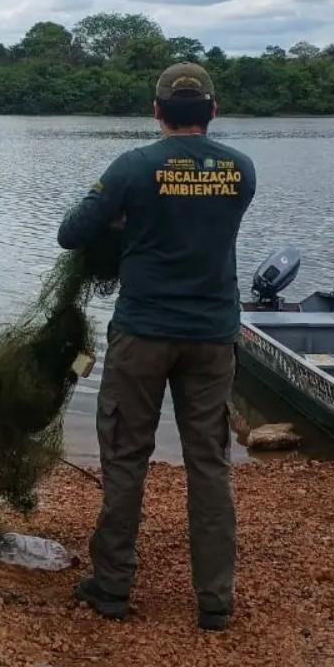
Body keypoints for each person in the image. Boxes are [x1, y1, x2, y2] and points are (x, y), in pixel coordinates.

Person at [58, 62, 256, 631]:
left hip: (143, 333)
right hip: (214, 338)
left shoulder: (135, 166)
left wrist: (122, 220)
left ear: (157, 112)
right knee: (210, 465)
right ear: (213, 111)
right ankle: (215, 601)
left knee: (125, 457)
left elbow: (72, 232)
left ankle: (113, 587)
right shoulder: (241, 170)